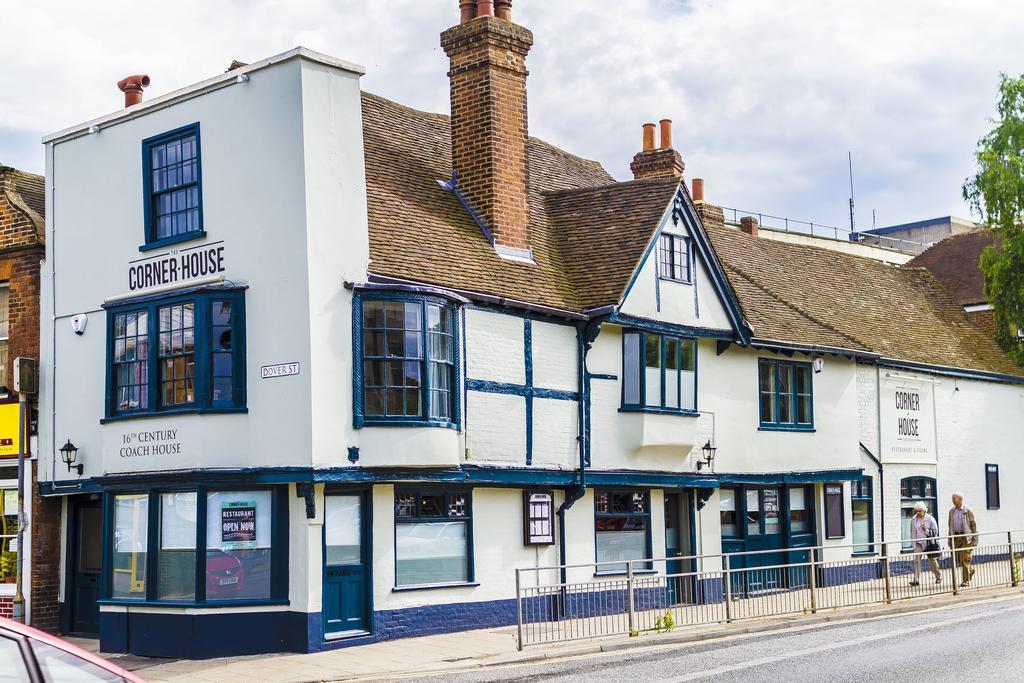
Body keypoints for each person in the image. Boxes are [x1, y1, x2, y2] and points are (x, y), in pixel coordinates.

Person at [948, 492, 978, 587]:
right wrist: (950, 539)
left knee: (965, 559)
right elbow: (950, 525)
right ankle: (971, 570)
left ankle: (966, 581)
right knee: (957, 558)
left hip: (966, 538)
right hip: (956, 537)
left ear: (960, 500)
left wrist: (975, 540)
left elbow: (974, 524)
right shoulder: (951, 511)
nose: (953, 500)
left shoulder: (967, 510)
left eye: (954, 498)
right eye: (952, 498)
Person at [909, 502, 942, 586]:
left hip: (928, 543)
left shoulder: (930, 519)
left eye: (920, 511)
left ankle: (938, 576)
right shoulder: (913, 519)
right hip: (918, 543)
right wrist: (913, 543)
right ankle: (916, 580)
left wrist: (926, 530)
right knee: (917, 561)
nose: (918, 513)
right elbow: (912, 531)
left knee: (932, 561)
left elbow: (935, 532)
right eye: (917, 511)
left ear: (924, 511)